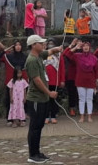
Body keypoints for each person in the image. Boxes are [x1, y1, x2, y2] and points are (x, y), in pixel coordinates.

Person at [24, 34, 62, 164]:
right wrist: (49, 93)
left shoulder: (39, 55)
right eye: (40, 43)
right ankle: (32, 154)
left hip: (42, 98)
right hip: (36, 98)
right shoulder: (32, 60)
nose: (43, 44)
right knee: (35, 127)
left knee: (39, 126)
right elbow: (37, 80)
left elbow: (50, 51)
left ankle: (37, 152)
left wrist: (57, 49)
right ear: (33, 45)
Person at [64, 40, 98, 123]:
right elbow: (66, 54)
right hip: (80, 80)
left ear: (90, 48)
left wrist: (96, 81)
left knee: (89, 99)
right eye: (84, 46)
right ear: (82, 48)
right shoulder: (77, 56)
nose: (86, 47)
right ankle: (82, 116)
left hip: (90, 80)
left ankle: (89, 116)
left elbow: (96, 71)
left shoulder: (94, 58)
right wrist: (75, 47)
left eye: (87, 46)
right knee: (81, 99)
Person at [0, 40, 27, 125]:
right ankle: (10, 119)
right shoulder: (8, 56)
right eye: (16, 45)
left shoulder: (25, 57)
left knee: (22, 101)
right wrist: (6, 50)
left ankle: (22, 118)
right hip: (11, 82)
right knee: (10, 101)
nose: (18, 46)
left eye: (19, 45)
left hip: (22, 82)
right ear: (13, 46)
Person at [44, 39, 65, 124]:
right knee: (45, 99)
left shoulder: (59, 55)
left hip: (54, 80)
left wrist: (62, 80)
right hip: (44, 80)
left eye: (52, 44)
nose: (50, 45)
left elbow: (62, 68)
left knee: (53, 99)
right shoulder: (43, 54)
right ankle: (45, 116)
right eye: (49, 44)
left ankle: (53, 115)